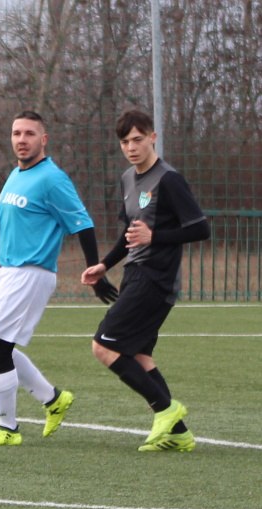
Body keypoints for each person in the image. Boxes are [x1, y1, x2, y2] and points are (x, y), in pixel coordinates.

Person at [81, 109, 209, 452]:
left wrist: (156, 237)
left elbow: (201, 228)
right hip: (135, 273)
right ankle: (179, 434)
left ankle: (166, 408)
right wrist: (104, 265)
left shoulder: (169, 180)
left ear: (153, 138)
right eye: (125, 142)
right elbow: (130, 233)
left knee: (104, 346)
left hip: (156, 278)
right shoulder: (127, 179)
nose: (131, 147)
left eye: (137, 139)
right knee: (137, 355)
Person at [0, 111, 99, 446]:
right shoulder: (16, 174)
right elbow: (24, 219)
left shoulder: (52, 179)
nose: (22, 139)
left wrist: (95, 269)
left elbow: (83, 223)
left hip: (31, 272)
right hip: (8, 271)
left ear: (43, 140)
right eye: (16, 133)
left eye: (29, 133)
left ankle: (7, 428)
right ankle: (53, 399)